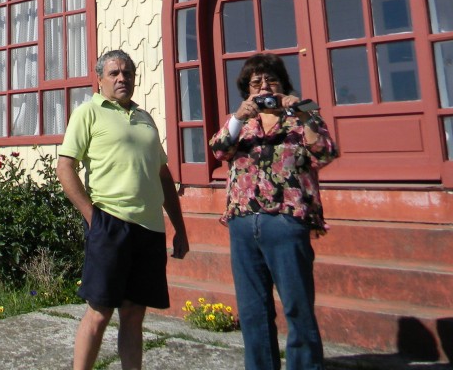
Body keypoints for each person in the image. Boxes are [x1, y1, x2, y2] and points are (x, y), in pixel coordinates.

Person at [57, 49, 189, 370]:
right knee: (100, 313)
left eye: (127, 73)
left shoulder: (144, 119)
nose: (122, 78)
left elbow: (162, 174)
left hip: (150, 231)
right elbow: (65, 168)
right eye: (114, 73)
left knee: (133, 315)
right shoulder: (88, 112)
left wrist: (180, 230)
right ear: (99, 79)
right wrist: (93, 218)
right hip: (110, 226)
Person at [209, 52, 338, 370]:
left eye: (271, 80)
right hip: (243, 225)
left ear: (283, 84)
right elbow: (218, 149)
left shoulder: (303, 111)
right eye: (256, 82)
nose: (264, 87)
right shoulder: (239, 122)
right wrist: (238, 117)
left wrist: (302, 112)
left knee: (298, 307)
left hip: (286, 221)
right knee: (253, 310)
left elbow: (325, 153)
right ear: (247, 89)